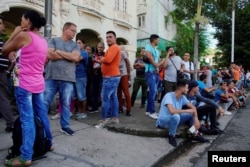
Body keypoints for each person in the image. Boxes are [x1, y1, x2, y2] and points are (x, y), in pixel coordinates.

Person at [2, 10, 53, 167]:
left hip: (24, 84)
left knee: (27, 119)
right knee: (41, 114)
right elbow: (41, 58)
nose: (20, 22)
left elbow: (4, 50)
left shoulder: (24, 35)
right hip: (38, 83)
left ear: (29, 21)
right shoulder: (43, 40)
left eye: (22, 19)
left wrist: (15, 32)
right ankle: (49, 142)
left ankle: (26, 156)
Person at [43, 22, 81, 136]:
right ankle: (41, 126)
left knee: (65, 104)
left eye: (75, 31)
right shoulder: (53, 41)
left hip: (68, 78)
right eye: (73, 30)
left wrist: (58, 52)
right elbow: (50, 55)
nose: (75, 33)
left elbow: (75, 57)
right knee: (45, 102)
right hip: (51, 77)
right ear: (65, 30)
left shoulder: (75, 45)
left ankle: (65, 126)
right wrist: (68, 55)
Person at [156, 79, 209, 147]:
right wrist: (187, 110)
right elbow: (172, 111)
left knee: (190, 114)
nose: (188, 89)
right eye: (187, 88)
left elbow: (193, 107)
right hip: (163, 122)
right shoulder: (168, 96)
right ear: (182, 88)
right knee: (176, 116)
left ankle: (194, 133)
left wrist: (196, 119)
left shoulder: (182, 97)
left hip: (175, 120)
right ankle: (171, 135)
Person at [95, 31, 121, 128]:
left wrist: (101, 59)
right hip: (112, 76)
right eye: (107, 37)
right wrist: (103, 59)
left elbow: (108, 60)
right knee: (113, 97)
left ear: (115, 38)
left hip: (110, 77)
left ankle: (104, 119)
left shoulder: (114, 47)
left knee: (105, 98)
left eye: (110, 37)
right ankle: (114, 118)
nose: (108, 39)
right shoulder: (112, 48)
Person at [0, 15, 15, 133]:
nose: (3, 26)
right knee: (4, 99)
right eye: (0, 23)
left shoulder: (2, 42)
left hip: (2, 73)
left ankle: (10, 123)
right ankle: (10, 123)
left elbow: (13, 60)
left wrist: (8, 71)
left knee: (4, 98)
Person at [144, 34, 162, 119]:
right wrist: (155, 65)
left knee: (153, 91)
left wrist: (157, 68)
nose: (158, 41)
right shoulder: (148, 46)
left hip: (155, 72)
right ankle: (152, 112)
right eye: (157, 40)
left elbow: (158, 60)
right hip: (150, 72)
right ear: (154, 40)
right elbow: (149, 57)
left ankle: (148, 111)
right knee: (153, 91)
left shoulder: (157, 50)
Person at [74, 38, 88, 119]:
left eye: (79, 43)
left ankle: (84, 112)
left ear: (83, 44)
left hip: (81, 76)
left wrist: (75, 60)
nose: (78, 44)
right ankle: (79, 111)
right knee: (76, 96)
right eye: (77, 43)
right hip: (74, 76)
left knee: (82, 96)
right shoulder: (76, 52)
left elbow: (77, 59)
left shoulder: (84, 53)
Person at [89, 42, 104, 113]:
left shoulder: (105, 54)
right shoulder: (94, 55)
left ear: (103, 48)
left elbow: (105, 64)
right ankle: (95, 108)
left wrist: (96, 61)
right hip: (94, 76)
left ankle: (104, 108)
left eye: (101, 47)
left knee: (103, 92)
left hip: (102, 76)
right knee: (93, 92)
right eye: (99, 47)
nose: (100, 48)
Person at [118, 46, 131, 116]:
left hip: (124, 75)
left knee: (126, 93)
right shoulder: (115, 52)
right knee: (118, 93)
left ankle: (128, 109)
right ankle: (120, 108)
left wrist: (128, 74)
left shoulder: (122, 53)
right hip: (117, 75)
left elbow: (127, 63)